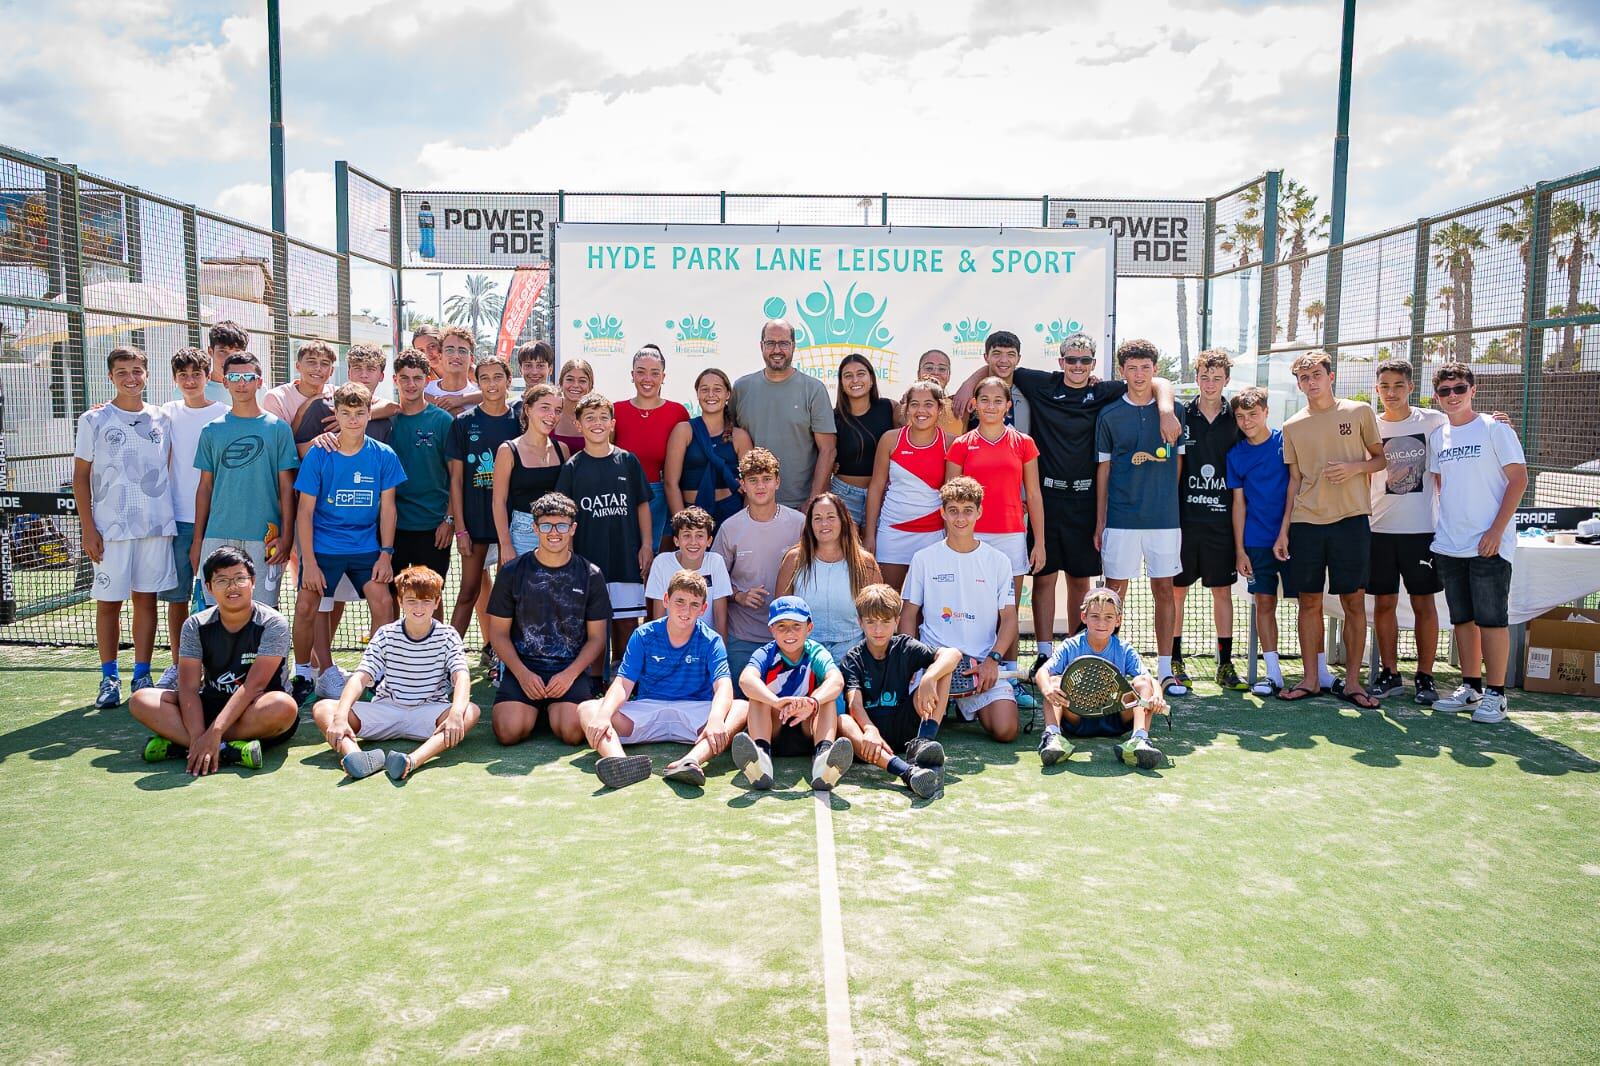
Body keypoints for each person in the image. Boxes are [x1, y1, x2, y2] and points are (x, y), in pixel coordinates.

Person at [954, 331, 1179, 664]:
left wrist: (1165, 410)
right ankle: (1045, 655)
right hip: (1048, 496)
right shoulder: (1042, 383)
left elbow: (1157, 380)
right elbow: (999, 369)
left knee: (1080, 581)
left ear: (1093, 363)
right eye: (1071, 360)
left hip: (1086, 500)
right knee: (1043, 579)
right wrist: (966, 386)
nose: (1078, 366)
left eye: (1085, 360)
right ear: (1060, 361)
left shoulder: (1104, 390)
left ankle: (1078, 654)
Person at [1274, 350, 1385, 706]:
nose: (1311, 382)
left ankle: (1353, 683)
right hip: (1306, 524)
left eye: (1317, 375)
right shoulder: (1292, 426)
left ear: (1330, 376)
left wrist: (1354, 468)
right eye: (1304, 378)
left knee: (1354, 602)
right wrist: (1284, 530)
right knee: (1308, 602)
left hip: (1351, 522)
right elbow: (1294, 481)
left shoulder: (1359, 412)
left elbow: (1380, 459)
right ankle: (1311, 680)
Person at [130, 545, 300, 773]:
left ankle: (187, 746)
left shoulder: (273, 623)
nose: (232, 586)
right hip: (209, 705)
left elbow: (253, 687)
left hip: (255, 708)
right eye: (222, 580)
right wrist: (200, 735)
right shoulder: (194, 625)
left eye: (240, 578)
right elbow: (189, 688)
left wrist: (214, 732)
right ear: (209, 587)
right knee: (141, 700)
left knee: (284, 706)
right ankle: (223, 749)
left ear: (253, 582)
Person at [577, 569, 751, 789]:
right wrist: (604, 715)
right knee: (587, 708)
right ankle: (619, 763)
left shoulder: (711, 640)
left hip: (696, 717)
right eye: (680, 601)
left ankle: (691, 761)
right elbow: (623, 683)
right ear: (666, 600)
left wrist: (716, 719)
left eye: (694, 604)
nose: (686, 610)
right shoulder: (644, 635)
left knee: (741, 708)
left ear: (703, 609)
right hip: (647, 710)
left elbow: (723, 686)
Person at [73, 346, 176, 708]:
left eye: (136, 371)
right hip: (109, 530)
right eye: (122, 372)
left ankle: (142, 673)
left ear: (147, 374)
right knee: (109, 603)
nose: (130, 378)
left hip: (155, 525)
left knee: (146, 600)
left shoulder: (163, 418)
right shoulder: (93, 420)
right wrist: (88, 528)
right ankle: (109, 677)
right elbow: (81, 478)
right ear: (110, 377)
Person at [1426, 363, 1528, 723]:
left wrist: (1495, 532)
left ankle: (1496, 695)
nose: (1452, 396)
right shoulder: (1439, 437)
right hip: (1450, 545)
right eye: (1445, 391)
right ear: (1436, 396)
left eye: (1459, 389)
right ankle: (1471, 687)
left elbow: (1518, 480)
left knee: (1492, 621)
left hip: (1490, 545)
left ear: (1473, 390)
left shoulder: (1495, 429)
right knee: (1462, 621)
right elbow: (1442, 486)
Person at [311, 565, 479, 781]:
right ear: (400, 602)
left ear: (437, 603)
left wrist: (455, 714)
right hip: (385, 711)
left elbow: (462, 677)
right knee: (323, 708)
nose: (419, 607)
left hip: (428, 715)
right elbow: (360, 677)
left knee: (470, 711)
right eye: (411, 601)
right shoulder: (386, 634)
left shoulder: (448, 635)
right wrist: (342, 716)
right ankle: (357, 757)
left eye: (426, 601)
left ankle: (411, 761)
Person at [291, 382, 405, 689]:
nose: (353, 419)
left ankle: (374, 672)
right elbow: (305, 512)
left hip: (366, 546)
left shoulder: (383, 454)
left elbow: (388, 509)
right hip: (323, 546)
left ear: (370, 414)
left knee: (382, 601)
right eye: (346, 413)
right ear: (336, 415)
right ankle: (304, 673)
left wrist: (386, 553)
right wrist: (309, 562)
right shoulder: (320, 453)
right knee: (305, 605)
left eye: (359, 412)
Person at [1094, 339, 1188, 696]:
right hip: (1120, 519)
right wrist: (1101, 520)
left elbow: (1177, 465)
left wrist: (1159, 498)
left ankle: (1165, 671)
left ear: (1154, 369)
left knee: (1164, 591)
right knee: (1112, 594)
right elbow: (1104, 470)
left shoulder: (1174, 410)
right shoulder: (1109, 415)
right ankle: (1107, 667)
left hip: (1165, 521)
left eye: (1145, 367)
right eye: (1131, 368)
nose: (1138, 374)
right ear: (1121, 372)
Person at [191, 352, 298, 655]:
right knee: (217, 614)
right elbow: (205, 487)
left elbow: (286, 486)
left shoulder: (277, 428)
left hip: (264, 537)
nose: (241, 384)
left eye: (248, 377)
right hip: (218, 535)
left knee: (265, 612)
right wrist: (198, 540)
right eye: (235, 378)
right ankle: (221, 677)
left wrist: (287, 535)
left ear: (259, 381)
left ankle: (270, 676)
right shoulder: (212, 430)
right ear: (225, 382)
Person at [900, 477, 1020, 742]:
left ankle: (968, 707)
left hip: (982, 666)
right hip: (934, 665)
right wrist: (911, 665)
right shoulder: (923, 558)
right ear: (942, 512)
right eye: (953, 510)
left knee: (1006, 730)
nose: (960, 518)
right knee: (909, 730)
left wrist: (993, 660)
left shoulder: (999, 561)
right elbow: (908, 614)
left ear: (979, 512)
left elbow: (1010, 619)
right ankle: (948, 705)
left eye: (967, 510)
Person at [485, 492, 610, 746]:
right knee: (508, 732)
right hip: (524, 669)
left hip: (568, 671)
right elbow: (497, 633)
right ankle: (532, 709)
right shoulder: (512, 572)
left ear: (573, 528)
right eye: (546, 525)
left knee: (573, 733)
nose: (554, 532)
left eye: (562, 525)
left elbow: (597, 638)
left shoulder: (591, 574)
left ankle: (553, 710)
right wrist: (521, 674)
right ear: (534, 528)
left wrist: (569, 675)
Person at [1366, 358, 1447, 705]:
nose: (1391, 392)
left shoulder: (1433, 421)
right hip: (1378, 530)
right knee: (1383, 604)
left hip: (1421, 533)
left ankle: (1425, 677)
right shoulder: (1368, 424)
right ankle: (1390, 673)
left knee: (1422, 604)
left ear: (1411, 388)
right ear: (1376, 388)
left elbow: (1468, 426)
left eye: (1398, 385)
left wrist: (1497, 422)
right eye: (1384, 386)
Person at [555, 392, 653, 665]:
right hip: (587, 562)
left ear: (612, 423)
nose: (597, 423)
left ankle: (625, 682)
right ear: (578, 425)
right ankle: (595, 683)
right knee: (593, 627)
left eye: (602, 418)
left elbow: (642, 505)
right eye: (589, 418)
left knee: (626, 625)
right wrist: (568, 558)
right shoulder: (572, 467)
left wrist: (646, 545)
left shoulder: (627, 461)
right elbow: (565, 517)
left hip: (625, 557)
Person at [838, 583, 961, 799]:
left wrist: (929, 677)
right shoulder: (852, 658)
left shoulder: (904, 646)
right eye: (871, 622)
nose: (878, 630)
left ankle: (923, 743)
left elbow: (953, 654)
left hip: (905, 727)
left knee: (942, 670)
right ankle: (907, 772)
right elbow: (854, 704)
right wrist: (869, 730)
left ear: (897, 621)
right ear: (860, 623)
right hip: (871, 737)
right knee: (843, 721)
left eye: (885, 622)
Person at [1171, 350, 1245, 691]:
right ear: (1196, 377)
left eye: (1217, 378)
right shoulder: (1181, 416)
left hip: (1223, 523)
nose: (1210, 384)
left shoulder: (1238, 418)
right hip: (1186, 522)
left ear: (1226, 380)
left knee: (1221, 592)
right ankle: (1174, 660)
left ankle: (1225, 663)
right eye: (1204, 377)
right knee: (1176, 593)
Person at [156, 347, 228, 689]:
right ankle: (177, 665)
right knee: (178, 597)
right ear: (175, 380)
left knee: (218, 596)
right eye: (183, 375)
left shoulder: (225, 413)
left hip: (219, 520)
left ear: (207, 375)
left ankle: (219, 668)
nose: (189, 380)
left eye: (196, 374)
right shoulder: (165, 414)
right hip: (177, 520)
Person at [1034, 587, 1169, 769]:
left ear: (1118, 620)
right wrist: (1047, 689)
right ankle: (1053, 737)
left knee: (1142, 683)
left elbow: (1149, 678)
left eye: (1108, 617)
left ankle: (1139, 740)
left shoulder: (1124, 649)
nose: (1101, 623)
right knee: (1053, 682)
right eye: (1095, 616)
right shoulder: (1070, 646)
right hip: (1077, 717)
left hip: (1116, 718)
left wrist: (1158, 696)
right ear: (1084, 618)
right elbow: (1042, 672)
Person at [729, 597, 854, 792]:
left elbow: (836, 680)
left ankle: (823, 759)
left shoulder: (815, 652)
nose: (789, 632)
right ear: (771, 630)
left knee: (826, 700)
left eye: (796, 625)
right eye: (781, 626)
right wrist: (776, 702)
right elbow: (746, 680)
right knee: (757, 697)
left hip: (808, 731)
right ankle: (761, 759)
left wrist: (811, 703)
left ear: (809, 628)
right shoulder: (765, 653)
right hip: (774, 730)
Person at [712, 448, 807, 687]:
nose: (760, 486)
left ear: (777, 481)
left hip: (792, 637)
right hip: (742, 638)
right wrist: (739, 596)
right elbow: (713, 579)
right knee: (740, 705)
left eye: (766, 479)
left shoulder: (799, 524)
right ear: (742, 485)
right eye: (753, 480)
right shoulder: (730, 528)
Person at [446, 353, 521, 653]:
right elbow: (455, 481)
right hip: (475, 523)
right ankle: (445, 658)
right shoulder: (464, 423)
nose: (491, 384)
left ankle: (501, 658)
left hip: (511, 524)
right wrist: (460, 529)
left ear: (508, 381)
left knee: (507, 597)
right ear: (477, 383)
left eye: (497, 377)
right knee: (468, 591)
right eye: (485, 378)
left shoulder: (520, 420)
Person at [1226, 387, 1294, 697]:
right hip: (1256, 542)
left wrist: (1286, 531)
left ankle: (1317, 674)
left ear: (1266, 412)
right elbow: (1239, 505)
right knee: (1264, 604)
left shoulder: (1287, 443)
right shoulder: (1236, 454)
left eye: (1253, 414)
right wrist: (1240, 549)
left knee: (1310, 605)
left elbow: (1297, 486)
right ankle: (1273, 674)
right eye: (1241, 416)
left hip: (1294, 539)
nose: (1247, 421)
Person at [733, 319, 836, 511]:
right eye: (770, 343)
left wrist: (812, 501)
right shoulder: (741, 388)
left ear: (794, 346)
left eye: (784, 343)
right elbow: (727, 439)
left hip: (800, 505)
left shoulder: (813, 389)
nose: (777, 350)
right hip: (753, 505)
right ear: (761, 345)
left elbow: (828, 450)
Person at [864, 379, 953, 593]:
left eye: (928, 404)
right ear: (906, 407)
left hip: (933, 535)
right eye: (914, 404)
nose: (921, 410)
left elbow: (953, 497)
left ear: (940, 408)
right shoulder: (890, 440)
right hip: (891, 533)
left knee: (928, 605)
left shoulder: (950, 443)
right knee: (885, 601)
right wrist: (869, 534)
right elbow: (876, 488)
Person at [776, 492, 883, 665]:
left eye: (831, 517)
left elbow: (878, 614)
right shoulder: (794, 559)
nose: (824, 523)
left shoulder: (864, 562)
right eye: (817, 518)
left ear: (843, 521)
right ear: (810, 524)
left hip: (853, 650)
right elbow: (781, 614)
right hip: (805, 650)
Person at [386, 348, 455, 608]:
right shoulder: (386, 420)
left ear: (427, 379)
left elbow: (455, 478)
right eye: (404, 378)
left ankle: (434, 649)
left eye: (417, 377)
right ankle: (393, 648)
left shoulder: (442, 421)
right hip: (393, 528)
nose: (411, 384)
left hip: (433, 527)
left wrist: (449, 520)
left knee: (431, 598)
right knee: (392, 597)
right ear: (395, 380)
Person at [613, 345, 690, 548]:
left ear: (663, 377)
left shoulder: (678, 412)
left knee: (658, 563)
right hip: (624, 497)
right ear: (632, 375)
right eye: (641, 372)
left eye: (654, 373)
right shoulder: (615, 411)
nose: (647, 379)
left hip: (663, 498)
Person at [662, 367, 751, 528]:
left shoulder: (740, 436)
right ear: (697, 393)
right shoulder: (683, 431)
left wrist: (744, 525)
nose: (711, 395)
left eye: (717, 389)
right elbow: (670, 483)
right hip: (691, 514)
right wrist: (681, 526)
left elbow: (750, 486)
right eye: (705, 389)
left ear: (727, 395)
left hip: (730, 514)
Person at [493, 382, 568, 561]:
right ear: (528, 409)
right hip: (522, 536)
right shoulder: (508, 450)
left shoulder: (562, 450)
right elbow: (498, 501)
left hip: (558, 535)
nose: (552, 415)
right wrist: (506, 545)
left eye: (558, 410)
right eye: (545, 408)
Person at [831, 353, 897, 528]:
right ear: (842, 384)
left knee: (875, 550)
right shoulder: (833, 417)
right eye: (848, 376)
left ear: (872, 379)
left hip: (883, 495)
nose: (855, 380)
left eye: (861, 373)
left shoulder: (889, 408)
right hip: (843, 495)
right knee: (846, 553)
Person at [646, 506, 732, 631]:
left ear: (709, 541)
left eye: (699, 535)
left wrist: (721, 650)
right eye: (686, 535)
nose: (693, 542)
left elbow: (721, 619)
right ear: (676, 541)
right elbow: (658, 619)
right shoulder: (661, 563)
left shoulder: (716, 562)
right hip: (670, 642)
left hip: (705, 643)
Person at [260, 340, 335, 436]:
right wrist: (303, 410)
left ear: (332, 371)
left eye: (324, 363)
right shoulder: (276, 398)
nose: (318, 368)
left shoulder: (339, 394)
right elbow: (279, 443)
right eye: (311, 362)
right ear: (298, 366)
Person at [423, 327, 483, 414]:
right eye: (449, 350)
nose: (456, 356)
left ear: (471, 359)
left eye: (462, 351)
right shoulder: (425, 390)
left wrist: (461, 401)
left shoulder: (482, 399)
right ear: (440, 356)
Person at [912, 348, 967, 437]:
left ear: (949, 376)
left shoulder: (959, 408)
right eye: (929, 368)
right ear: (918, 374)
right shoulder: (903, 409)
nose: (935, 372)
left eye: (942, 369)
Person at [550, 358, 594, 456]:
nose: (575, 385)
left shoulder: (598, 417)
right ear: (561, 383)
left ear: (590, 386)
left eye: (582, 381)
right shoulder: (550, 414)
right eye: (570, 379)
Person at [200, 320, 250, 404]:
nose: (229, 358)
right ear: (210, 352)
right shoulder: (192, 390)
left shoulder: (256, 388)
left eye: (237, 351)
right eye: (223, 351)